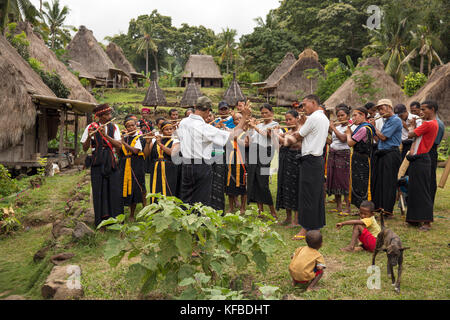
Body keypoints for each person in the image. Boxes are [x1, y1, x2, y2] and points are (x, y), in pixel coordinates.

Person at [176, 96, 251, 207]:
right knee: (201, 199)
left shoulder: (183, 122)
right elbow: (233, 135)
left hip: (186, 164)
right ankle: (198, 222)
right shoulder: (204, 127)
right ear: (207, 111)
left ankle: (185, 221)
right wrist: (244, 117)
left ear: (196, 107)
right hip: (201, 166)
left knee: (186, 197)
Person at [292, 95, 329, 240]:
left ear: (313, 103)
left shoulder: (313, 118)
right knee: (316, 194)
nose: (303, 108)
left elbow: (298, 135)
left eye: (305, 104)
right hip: (317, 159)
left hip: (310, 160)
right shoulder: (324, 118)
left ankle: (305, 228)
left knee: (307, 194)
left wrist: (300, 124)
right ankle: (316, 225)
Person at [81, 104, 123, 228]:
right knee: (99, 191)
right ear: (100, 116)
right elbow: (84, 148)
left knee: (114, 189)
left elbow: (119, 145)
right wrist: (89, 136)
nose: (110, 116)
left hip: (110, 160)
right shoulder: (90, 127)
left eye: (110, 114)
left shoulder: (114, 127)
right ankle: (100, 223)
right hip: (97, 161)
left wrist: (105, 136)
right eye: (107, 114)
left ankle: (116, 220)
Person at [405, 101, 439, 231]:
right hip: (418, 159)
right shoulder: (429, 123)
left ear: (432, 110)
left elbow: (410, 134)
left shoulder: (429, 124)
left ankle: (427, 221)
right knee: (415, 190)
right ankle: (414, 219)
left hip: (422, 159)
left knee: (423, 191)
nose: (421, 112)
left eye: (424, 110)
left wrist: (411, 126)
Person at [369, 99, 402, 216]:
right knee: (380, 182)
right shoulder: (387, 120)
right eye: (378, 109)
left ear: (389, 107)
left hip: (391, 154)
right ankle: (380, 207)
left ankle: (388, 210)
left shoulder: (396, 120)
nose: (380, 111)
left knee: (389, 182)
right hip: (382, 152)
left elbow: (383, 137)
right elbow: (379, 140)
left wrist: (374, 127)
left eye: (382, 108)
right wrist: (371, 130)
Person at [247, 104, 279, 219]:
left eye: (266, 113)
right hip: (254, 152)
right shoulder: (259, 124)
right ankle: (260, 211)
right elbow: (251, 139)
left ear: (272, 113)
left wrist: (255, 127)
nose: (264, 115)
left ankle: (272, 212)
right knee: (254, 181)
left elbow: (269, 137)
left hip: (265, 153)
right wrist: (251, 128)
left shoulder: (275, 125)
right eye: (262, 113)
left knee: (263, 183)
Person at [345, 107, 376, 210]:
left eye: (355, 115)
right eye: (352, 116)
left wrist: (348, 134)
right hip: (360, 159)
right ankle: (361, 209)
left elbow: (350, 143)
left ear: (363, 115)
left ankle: (364, 208)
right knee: (358, 182)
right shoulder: (365, 127)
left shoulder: (363, 129)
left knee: (361, 184)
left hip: (361, 159)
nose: (353, 118)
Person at [275, 110, 301, 227]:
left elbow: (286, 142)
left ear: (297, 118)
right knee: (286, 187)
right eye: (286, 120)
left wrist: (276, 134)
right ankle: (288, 217)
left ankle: (296, 220)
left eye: (290, 119)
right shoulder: (289, 131)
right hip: (287, 161)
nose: (288, 122)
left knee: (295, 189)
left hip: (297, 161)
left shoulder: (300, 131)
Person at [118, 116, 147, 221]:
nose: (131, 128)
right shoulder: (124, 137)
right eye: (128, 126)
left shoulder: (140, 137)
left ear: (136, 126)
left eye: (133, 125)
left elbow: (135, 151)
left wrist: (123, 143)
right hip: (124, 164)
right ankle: (123, 212)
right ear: (125, 128)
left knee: (136, 187)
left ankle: (133, 214)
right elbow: (119, 152)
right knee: (124, 187)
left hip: (136, 165)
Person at [327, 104, 352, 216]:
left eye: (342, 115)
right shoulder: (337, 127)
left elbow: (343, 139)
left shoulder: (350, 127)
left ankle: (347, 207)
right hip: (333, 154)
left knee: (343, 180)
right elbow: (333, 141)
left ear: (348, 116)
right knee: (334, 179)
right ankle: (338, 206)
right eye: (338, 116)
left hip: (343, 155)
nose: (340, 117)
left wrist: (332, 128)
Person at [146, 121, 180, 203]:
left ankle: (169, 209)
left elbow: (172, 152)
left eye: (171, 129)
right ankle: (155, 208)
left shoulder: (176, 140)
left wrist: (160, 144)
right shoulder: (155, 140)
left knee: (169, 189)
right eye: (166, 129)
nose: (169, 131)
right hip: (156, 168)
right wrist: (148, 142)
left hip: (169, 168)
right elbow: (146, 154)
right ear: (162, 131)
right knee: (156, 188)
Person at [225, 113, 248, 214]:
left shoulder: (246, 132)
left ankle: (243, 207)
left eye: (240, 118)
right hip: (230, 161)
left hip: (243, 161)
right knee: (230, 184)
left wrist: (236, 139)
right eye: (236, 119)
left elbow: (247, 144)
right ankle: (231, 207)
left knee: (243, 184)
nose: (238, 120)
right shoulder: (230, 132)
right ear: (233, 122)